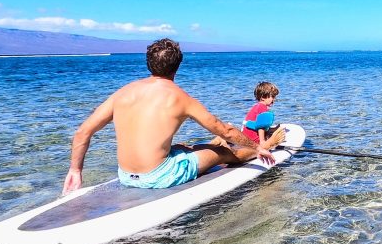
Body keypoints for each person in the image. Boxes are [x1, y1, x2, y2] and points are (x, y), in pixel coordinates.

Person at [62, 38, 276, 193]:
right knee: (222, 152)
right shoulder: (179, 97)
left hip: (126, 176)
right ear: (177, 66)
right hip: (159, 176)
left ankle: (197, 151)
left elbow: (82, 132)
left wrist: (75, 170)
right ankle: (262, 150)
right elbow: (225, 130)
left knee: (183, 148)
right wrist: (257, 146)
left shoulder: (123, 93)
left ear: (148, 63)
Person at [241, 81, 286, 149]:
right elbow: (261, 126)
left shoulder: (257, 106)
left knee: (269, 131)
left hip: (247, 138)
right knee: (275, 138)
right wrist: (262, 142)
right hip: (254, 141)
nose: (274, 99)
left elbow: (255, 124)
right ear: (263, 97)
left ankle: (270, 131)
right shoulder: (262, 107)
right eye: (273, 97)